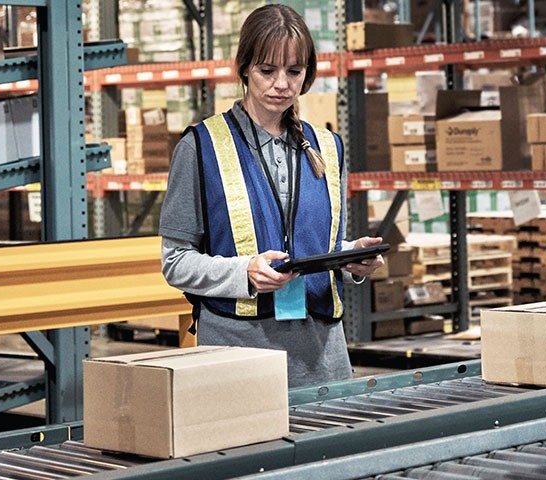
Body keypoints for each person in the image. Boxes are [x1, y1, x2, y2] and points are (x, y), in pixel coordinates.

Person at [159, 3, 384, 388]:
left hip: (322, 356)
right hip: (237, 355)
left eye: (294, 72)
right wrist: (242, 272)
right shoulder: (201, 148)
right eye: (267, 70)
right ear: (245, 67)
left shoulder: (329, 148)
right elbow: (176, 263)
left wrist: (349, 255)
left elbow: (300, 241)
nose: (282, 84)